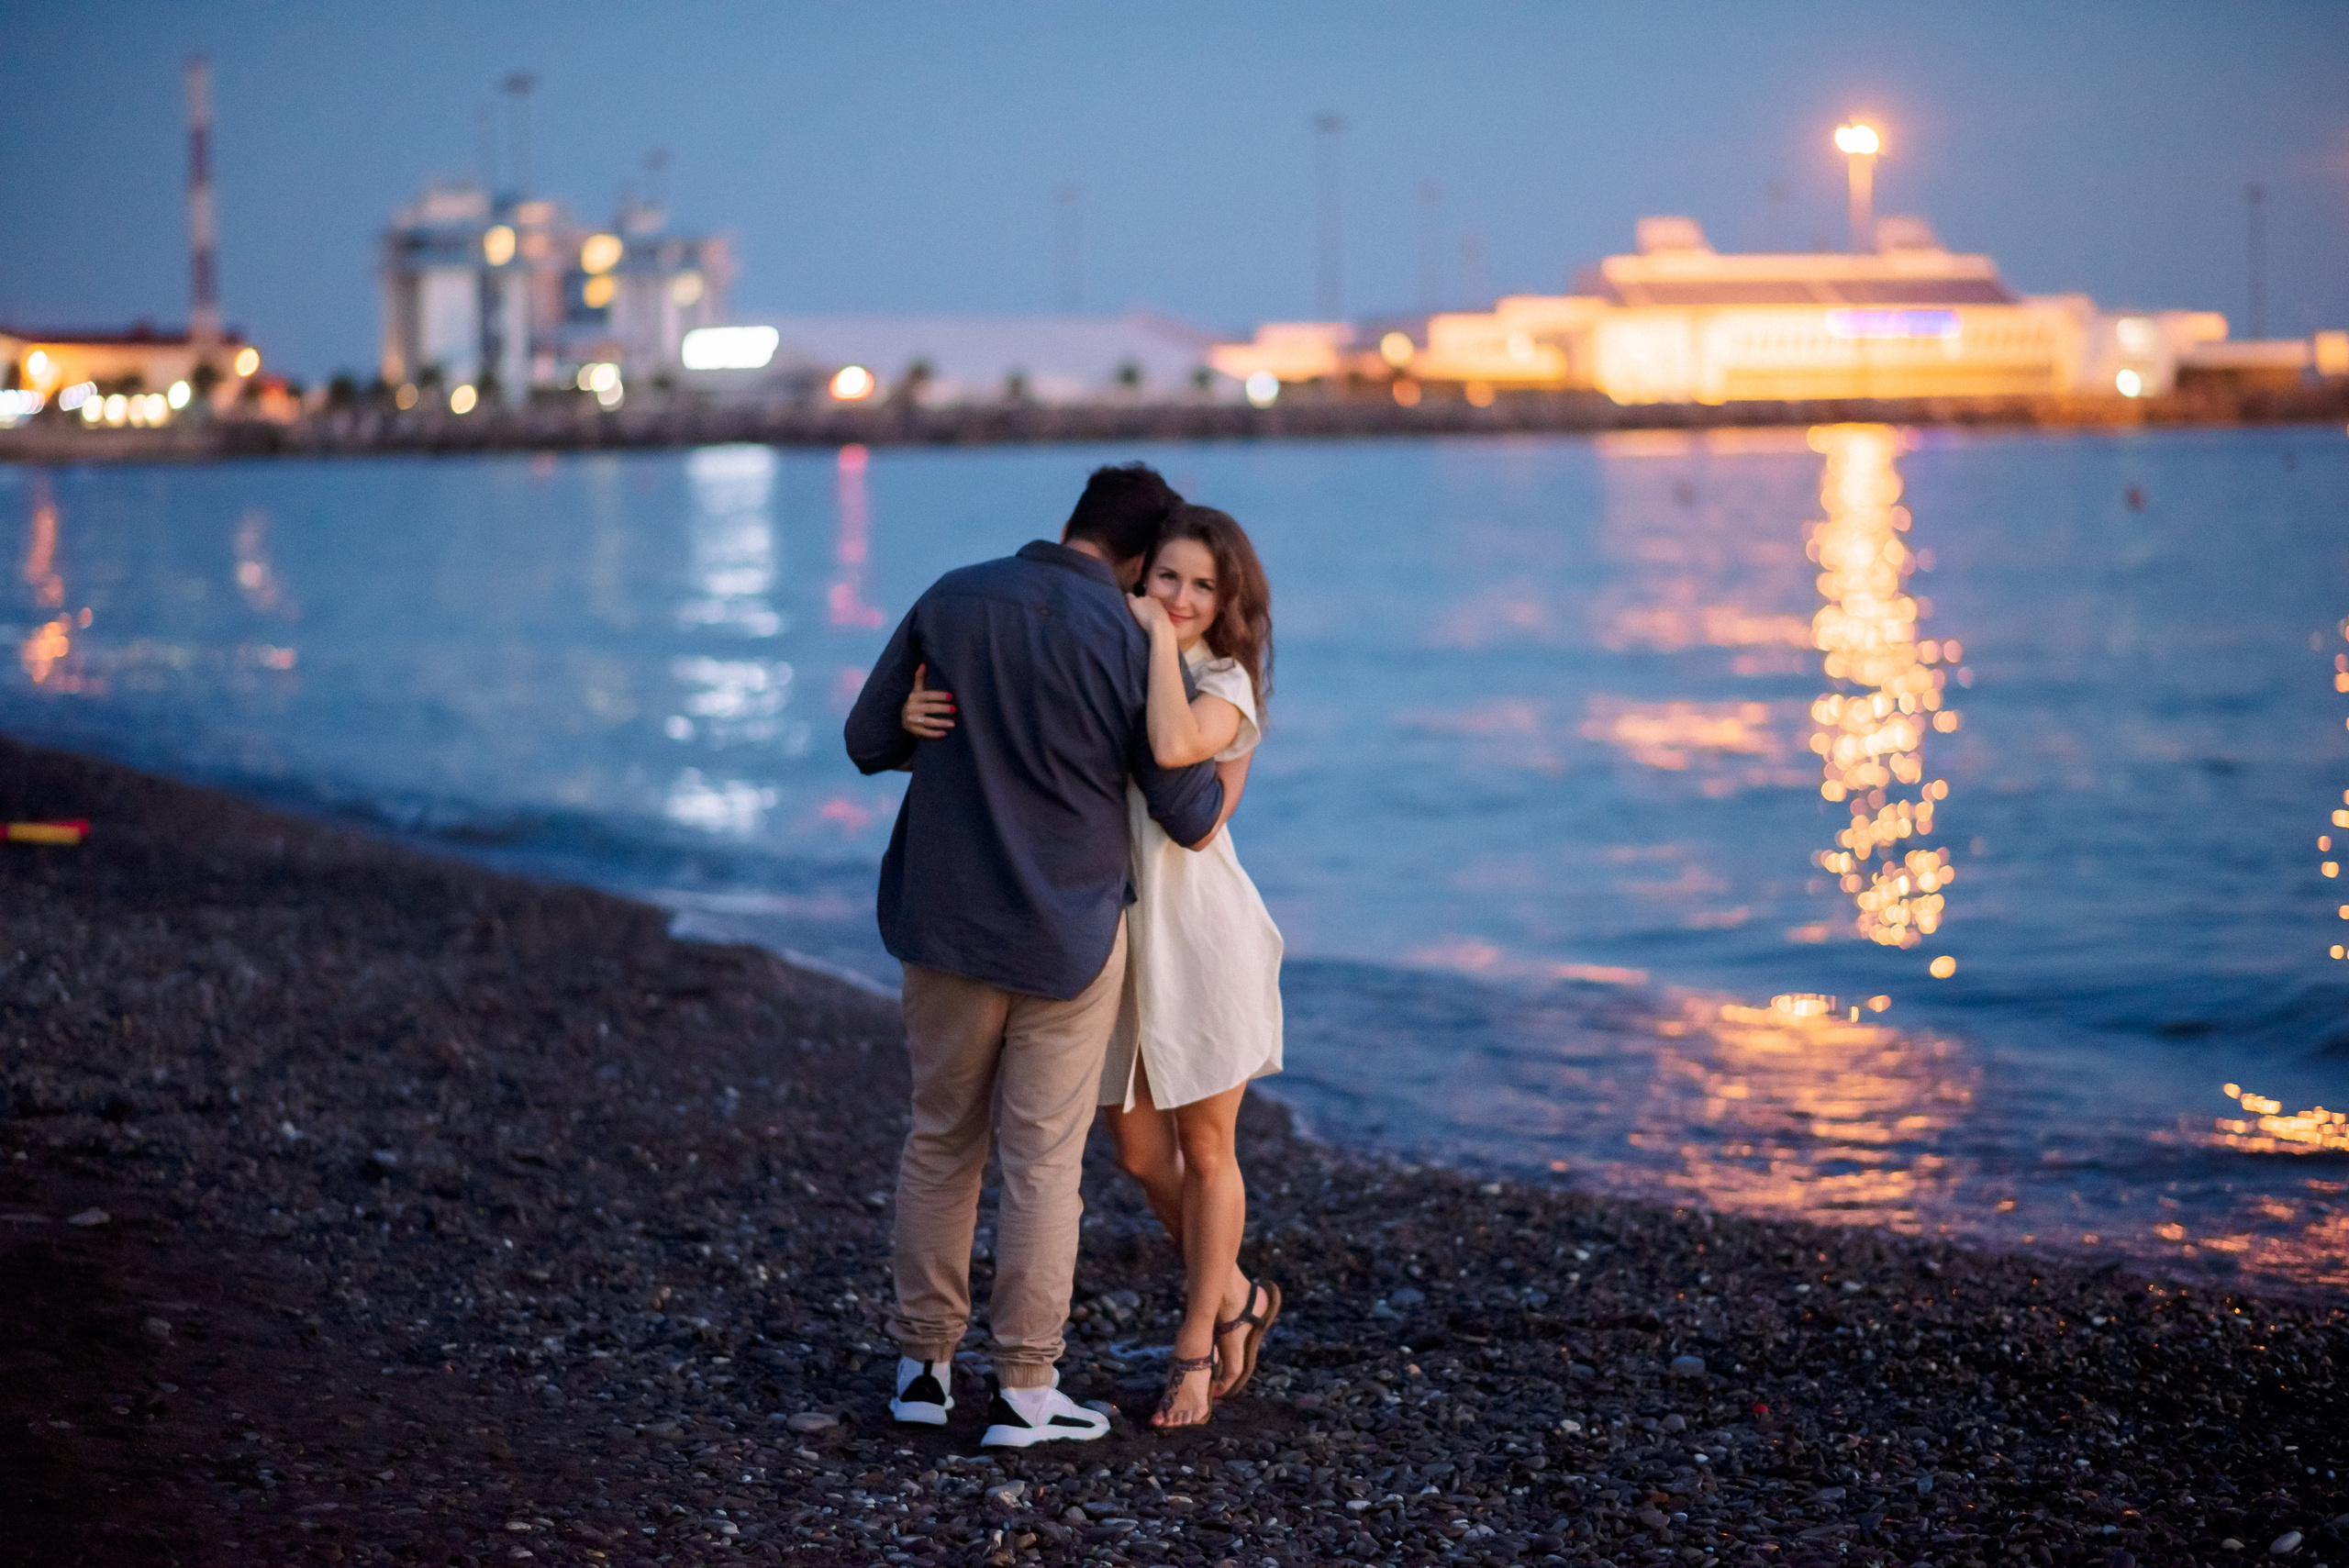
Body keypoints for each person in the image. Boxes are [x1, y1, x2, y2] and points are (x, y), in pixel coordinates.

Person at [844, 462, 1223, 1451]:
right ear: (1141, 560)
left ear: (1075, 523)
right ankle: (1023, 1388)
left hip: (945, 922)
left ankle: (921, 1372)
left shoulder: (955, 594)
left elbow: (863, 735)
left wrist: (912, 728)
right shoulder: (1128, 636)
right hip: (1066, 932)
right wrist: (1232, 741)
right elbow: (1185, 813)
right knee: (1043, 1163)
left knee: (940, 1139)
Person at [904, 504, 1284, 1430]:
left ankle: (1195, 1350)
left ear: (1228, 598)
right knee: (1138, 1152)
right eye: (1166, 578)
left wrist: (1150, 635)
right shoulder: (1107, 652)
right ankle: (1237, 1293)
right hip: (1105, 936)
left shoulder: (1225, 681)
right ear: (1135, 572)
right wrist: (911, 719)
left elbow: (1169, 752)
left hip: (1198, 937)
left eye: (1202, 585)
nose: (1182, 597)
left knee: (1205, 1150)